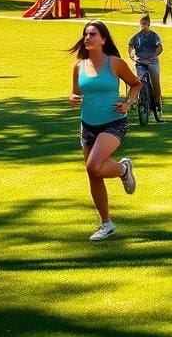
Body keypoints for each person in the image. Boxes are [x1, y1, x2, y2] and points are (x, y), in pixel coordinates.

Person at [68, 21, 140, 241]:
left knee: (93, 166)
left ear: (103, 39)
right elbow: (75, 94)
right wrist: (72, 99)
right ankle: (106, 224)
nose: (87, 37)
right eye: (86, 34)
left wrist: (128, 103)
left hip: (113, 122)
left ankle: (123, 169)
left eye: (93, 34)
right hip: (87, 124)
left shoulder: (115, 63)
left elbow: (136, 84)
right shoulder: (79, 66)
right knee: (93, 173)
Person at [128, 14, 163, 113]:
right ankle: (134, 100)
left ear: (149, 24)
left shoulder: (154, 36)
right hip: (140, 61)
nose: (143, 26)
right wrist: (133, 56)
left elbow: (159, 47)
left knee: (155, 81)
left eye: (145, 24)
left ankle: (157, 102)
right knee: (137, 81)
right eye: (141, 24)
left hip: (152, 62)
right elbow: (130, 47)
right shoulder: (136, 37)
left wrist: (154, 56)